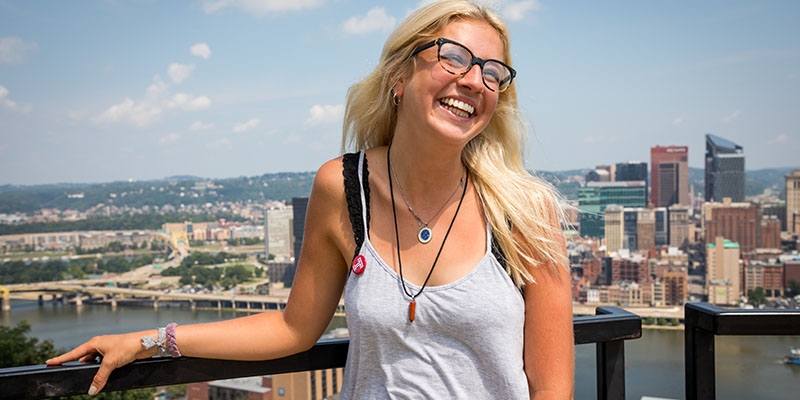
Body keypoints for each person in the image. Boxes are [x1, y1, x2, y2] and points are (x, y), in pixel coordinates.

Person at [47, 0, 575, 398]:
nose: (474, 80)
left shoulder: (524, 212)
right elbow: (293, 327)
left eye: (492, 72)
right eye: (454, 57)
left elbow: (552, 390)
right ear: (398, 75)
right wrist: (145, 342)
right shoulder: (342, 189)